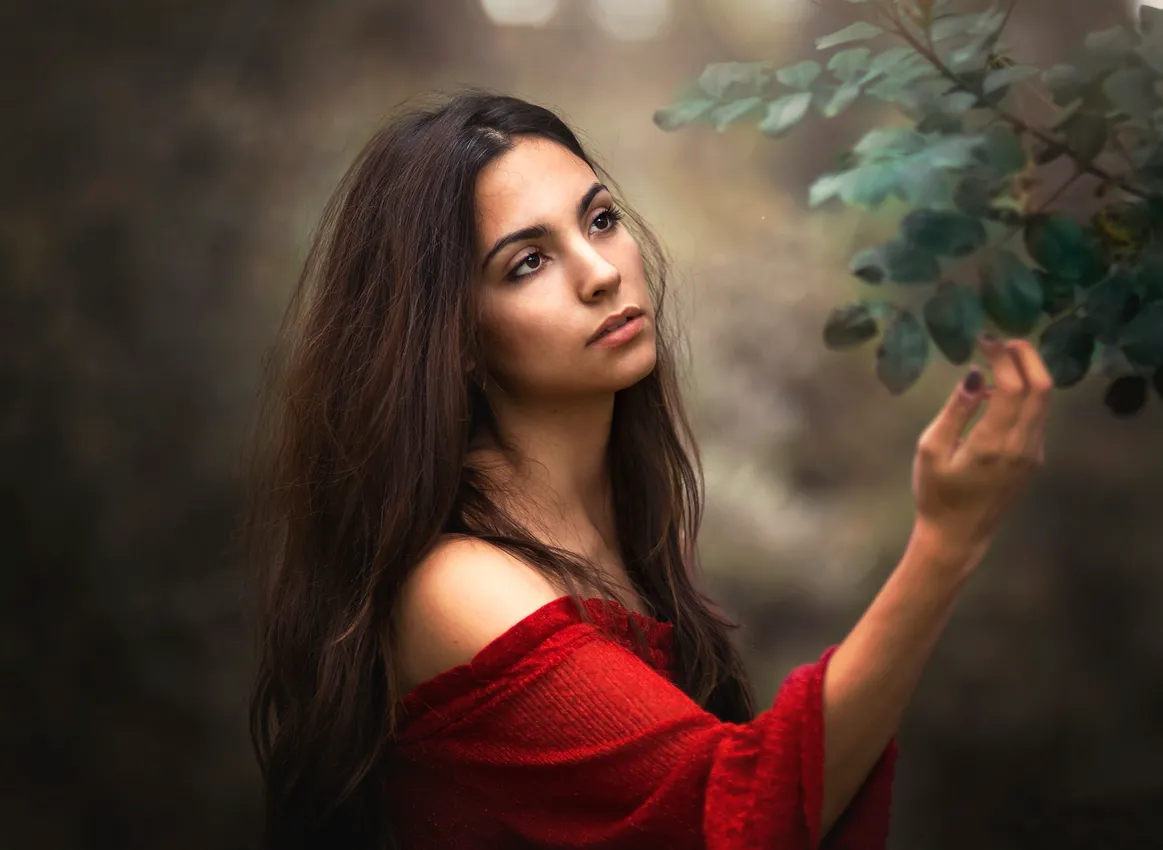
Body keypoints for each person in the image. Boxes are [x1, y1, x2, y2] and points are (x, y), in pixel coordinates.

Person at [242, 89, 1053, 850]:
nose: (599, 273)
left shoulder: (619, 535)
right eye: (527, 263)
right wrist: (944, 545)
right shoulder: (460, 588)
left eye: (599, 220)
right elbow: (737, 817)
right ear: (452, 339)